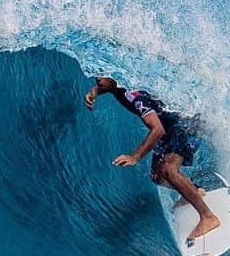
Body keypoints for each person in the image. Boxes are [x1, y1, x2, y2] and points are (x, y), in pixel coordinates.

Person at [84, 76, 220, 243]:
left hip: (186, 124)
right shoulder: (117, 82)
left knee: (168, 170)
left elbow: (157, 130)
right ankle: (194, 191)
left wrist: (135, 157)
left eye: (100, 77)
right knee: (158, 176)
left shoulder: (134, 96)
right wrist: (95, 91)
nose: (97, 78)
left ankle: (208, 217)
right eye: (96, 76)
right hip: (172, 126)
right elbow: (110, 85)